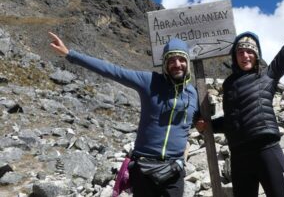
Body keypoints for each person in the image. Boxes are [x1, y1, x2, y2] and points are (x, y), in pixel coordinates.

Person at [196, 0, 284, 197]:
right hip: (239, 156)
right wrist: (210, 126)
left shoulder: (268, 75)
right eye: (240, 52)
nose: (245, 55)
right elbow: (233, 119)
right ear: (235, 57)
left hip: (267, 149)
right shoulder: (230, 84)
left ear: (256, 55)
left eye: (249, 51)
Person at [49, 32, 199, 197]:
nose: (177, 64)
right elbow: (113, 71)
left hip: (173, 172)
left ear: (188, 63)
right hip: (144, 170)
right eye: (171, 60)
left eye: (182, 59)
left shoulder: (193, 94)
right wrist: (70, 54)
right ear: (165, 64)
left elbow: (197, 122)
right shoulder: (150, 81)